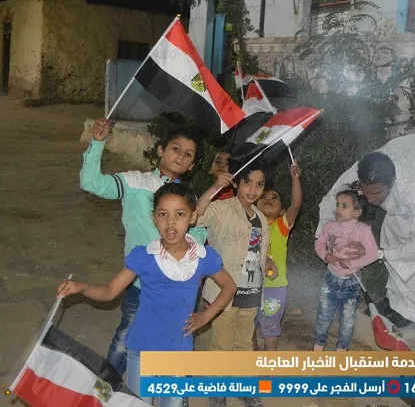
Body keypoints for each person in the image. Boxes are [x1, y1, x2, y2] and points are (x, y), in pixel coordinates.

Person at [57, 183, 236, 406]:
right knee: (139, 403)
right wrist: (82, 287)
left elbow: (229, 286)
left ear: (193, 217)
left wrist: (205, 317)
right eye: (163, 214)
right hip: (143, 348)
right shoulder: (143, 256)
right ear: (154, 219)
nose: (170, 222)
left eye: (179, 214)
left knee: (171, 403)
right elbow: (110, 291)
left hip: (178, 349)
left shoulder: (203, 256)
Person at [80, 119, 208, 375]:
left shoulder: (187, 198)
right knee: (124, 341)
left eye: (188, 155)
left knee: (172, 342)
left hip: (177, 289)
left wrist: (197, 235)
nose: (180, 156)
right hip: (141, 284)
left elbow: (195, 235)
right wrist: (97, 143)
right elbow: (91, 182)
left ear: (192, 165)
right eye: (175, 149)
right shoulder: (135, 182)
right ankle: (105, 388)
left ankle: (168, 392)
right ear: (161, 149)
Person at [315, 134, 415, 329]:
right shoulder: (360, 171)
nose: (370, 199)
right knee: (392, 231)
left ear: (392, 181)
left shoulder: (412, 187)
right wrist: (327, 239)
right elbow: (330, 201)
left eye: (376, 193)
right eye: (365, 192)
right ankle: (396, 302)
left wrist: (376, 254)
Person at [195, 160, 278, 407]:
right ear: (236, 182)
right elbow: (195, 217)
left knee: (244, 343)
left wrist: (267, 261)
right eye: (247, 182)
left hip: (252, 290)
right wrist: (214, 188)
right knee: (222, 344)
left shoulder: (260, 218)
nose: (253, 189)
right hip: (225, 292)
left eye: (259, 184)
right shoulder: (221, 208)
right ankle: (217, 391)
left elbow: (256, 250)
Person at [313, 183, 380, 351]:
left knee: (348, 319)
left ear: (357, 212)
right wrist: (325, 256)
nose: (338, 209)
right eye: (338, 205)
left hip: (351, 283)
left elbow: (373, 253)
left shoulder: (363, 230)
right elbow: (319, 244)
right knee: (324, 314)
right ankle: (318, 346)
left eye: (344, 206)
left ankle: (342, 349)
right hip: (331, 280)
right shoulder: (330, 226)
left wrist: (352, 264)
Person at [252, 161, 303, 351]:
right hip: (249, 285)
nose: (269, 199)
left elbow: (296, 204)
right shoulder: (248, 226)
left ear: (281, 211)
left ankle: (269, 366)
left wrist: (295, 178)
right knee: (248, 325)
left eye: (274, 198)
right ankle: (253, 351)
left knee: (270, 330)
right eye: (264, 197)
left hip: (275, 287)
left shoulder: (281, 226)